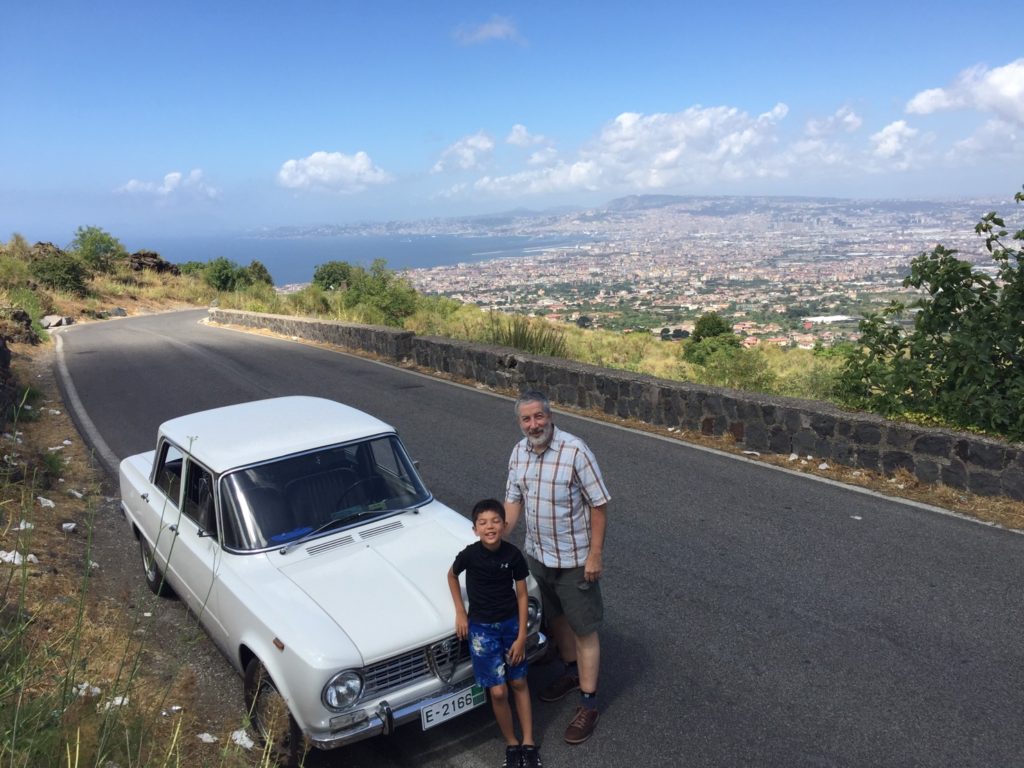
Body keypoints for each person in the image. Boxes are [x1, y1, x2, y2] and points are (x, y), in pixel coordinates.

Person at [504, 390, 610, 745]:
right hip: (538, 555)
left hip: (574, 560)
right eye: (526, 419)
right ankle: (571, 673)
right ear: (519, 423)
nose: (533, 425)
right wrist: (497, 541)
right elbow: (513, 501)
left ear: (550, 416)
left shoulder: (575, 451)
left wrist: (595, 555)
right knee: (558, 620)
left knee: (584, 629)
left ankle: (589, 703)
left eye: (539, 417)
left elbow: (599, 505)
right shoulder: (519, 452)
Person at [448, 499, 543, 768]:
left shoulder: (513, 556)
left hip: (511, 626)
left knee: (519, 683)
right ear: (475, 529)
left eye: (495, 521)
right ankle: (512, 744)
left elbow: (522, 595)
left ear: (504, 525)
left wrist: (522, 636)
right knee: (499, 692)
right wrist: (460, 612)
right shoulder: (469, 554)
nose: (489, 527)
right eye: (483, 522)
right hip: (481, 630)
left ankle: (528, 742)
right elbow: (452, 576)